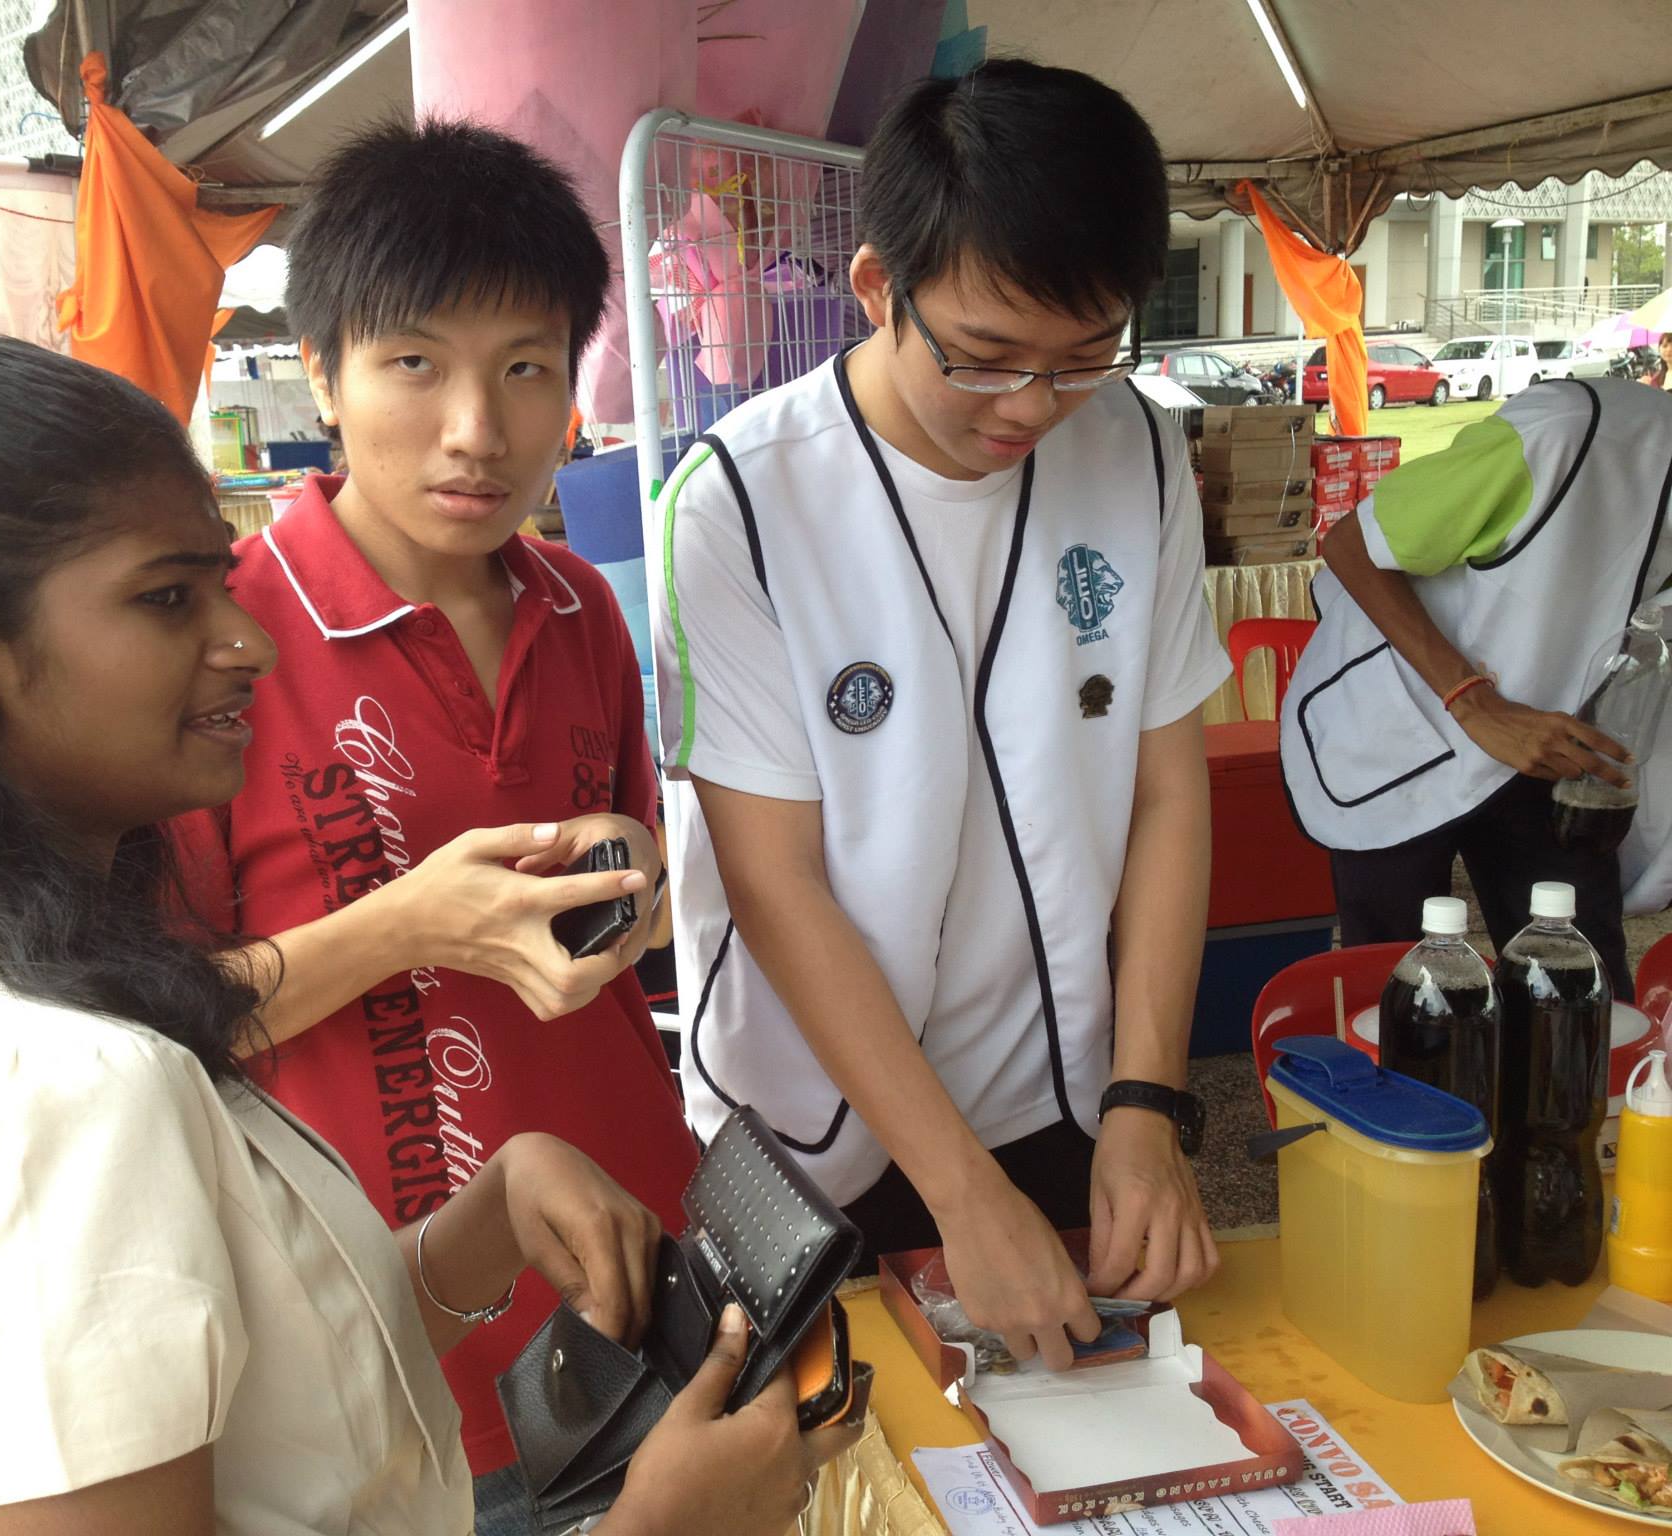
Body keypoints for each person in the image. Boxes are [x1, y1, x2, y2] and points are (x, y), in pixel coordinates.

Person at [0, 333, 847, 1536]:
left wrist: (479, 1226)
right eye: (167, 599)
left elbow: (270, 1384)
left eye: (223, 588)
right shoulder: (63, 1094)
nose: (248, 643)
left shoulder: (2, 957)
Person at [650, 58, 1230, 1376]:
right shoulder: (739, 504)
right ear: (876, 287)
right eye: (982, 358)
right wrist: (961, 1192)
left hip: (1055, 1087)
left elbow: (1165, 793)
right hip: (816, 1130)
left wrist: (1146, 1101)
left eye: (1080, 359)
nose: (1029, 407)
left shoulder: (1137, 451)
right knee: (832, 1446)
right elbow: (772, 881)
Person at [165, 120, 700, 1521]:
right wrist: (410, 925)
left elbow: (637, 908)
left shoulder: (582, 613)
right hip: (398, 1334)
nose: (477, 431)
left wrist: (637, 880)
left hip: (640, 1261)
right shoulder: (221, 645)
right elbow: (163, 1030)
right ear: (323, 371)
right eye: (414, 364)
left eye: (526, 369)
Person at [1281, 378, 1672, 998]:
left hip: (1553, 753)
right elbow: (1352, 544)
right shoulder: (1565, 432)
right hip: (1399, 730)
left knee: (1578, 985)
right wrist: (1474, 701)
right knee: (1403, 993)